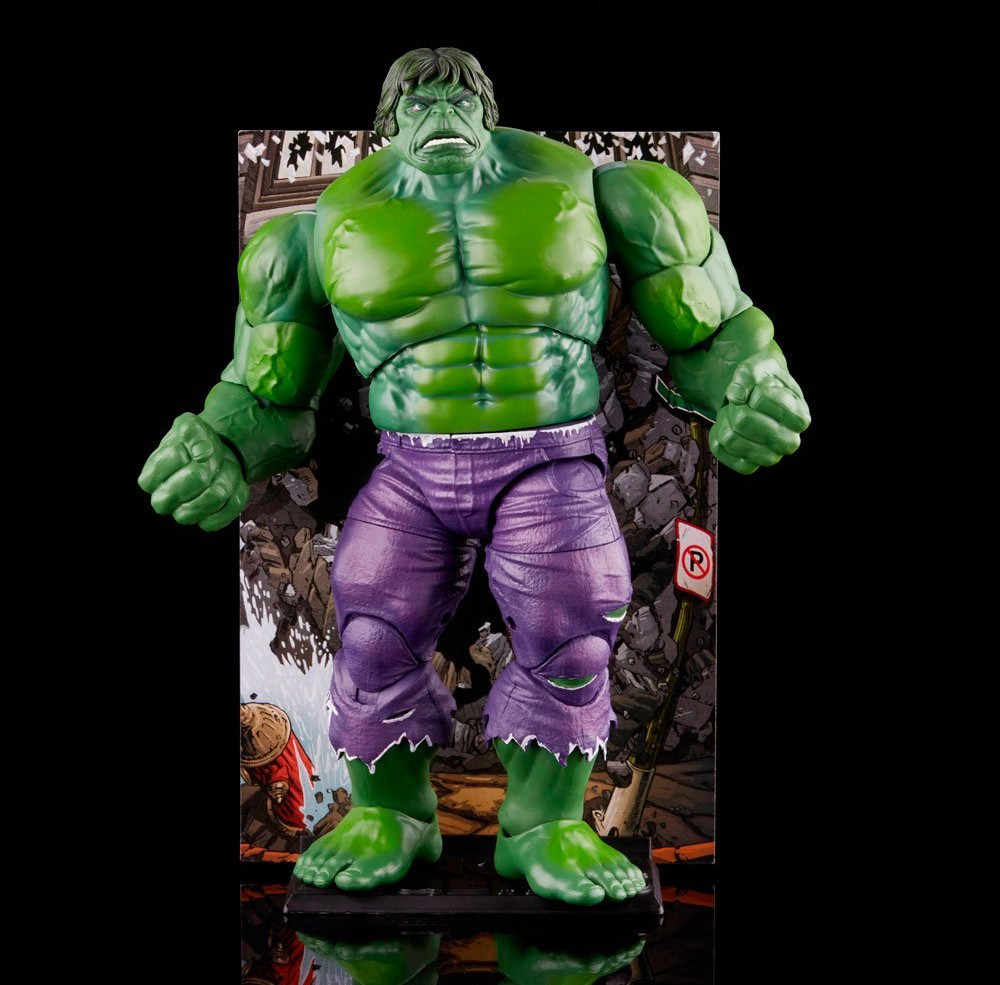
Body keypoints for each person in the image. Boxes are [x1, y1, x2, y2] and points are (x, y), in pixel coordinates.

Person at [139, 47, 810, 905]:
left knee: (574, 618)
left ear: (488, 110)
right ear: (385, 124)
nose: (441, 113)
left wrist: (754, 386)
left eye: (460, 97)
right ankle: (393, 816)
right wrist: (219, 449)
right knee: (372, 624)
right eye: (417, 101)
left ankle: (543, 826)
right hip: (411, 463)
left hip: (550, 452)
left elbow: (713, 334)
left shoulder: (601, 189)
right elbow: (272, 397)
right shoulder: (313, 232)